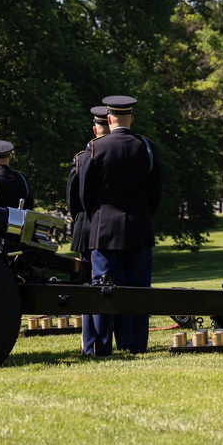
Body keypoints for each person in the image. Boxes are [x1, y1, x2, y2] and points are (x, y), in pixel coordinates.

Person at [79, 95, 162, 355]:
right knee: (139, 289)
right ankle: (136, 345)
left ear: (110, 118)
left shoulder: (95, 148)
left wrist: (98, 219)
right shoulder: (146, 147)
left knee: (103, 289)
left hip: (104, 230)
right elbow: (155, 191)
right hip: (139, 228)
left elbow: (85, 193)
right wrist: (143, 216)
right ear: (131, 118)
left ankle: (102, 347)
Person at [67, 105, 112, 356]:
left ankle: (89, 345)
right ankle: (103, 343)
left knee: (89, 288)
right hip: (107, 229)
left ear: (95, 129)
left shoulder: (82, 158)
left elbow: (73, 199)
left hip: (87, 228)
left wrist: (82, 220)